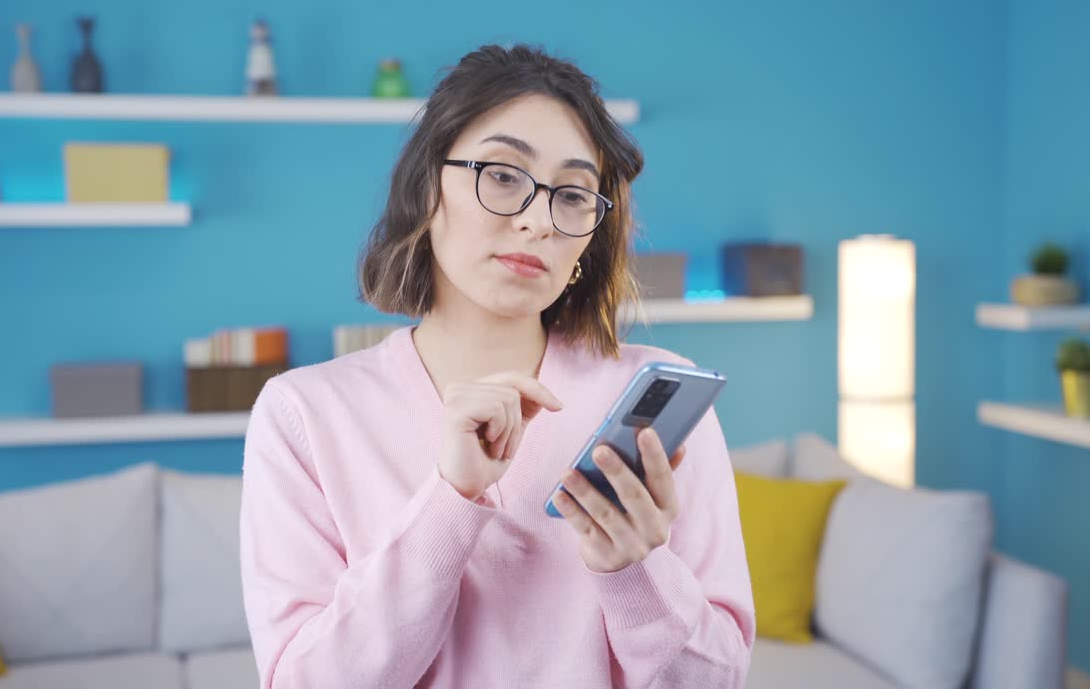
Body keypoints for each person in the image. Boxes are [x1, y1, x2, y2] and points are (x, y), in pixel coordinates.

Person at [239, 43, 755, 689]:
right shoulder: (304, 415)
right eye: (504, 176)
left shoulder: (661, 405)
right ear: (428, 190)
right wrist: (450, 502)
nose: (539, 221)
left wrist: (637, 571)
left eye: (573, 194)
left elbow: (717, 681)